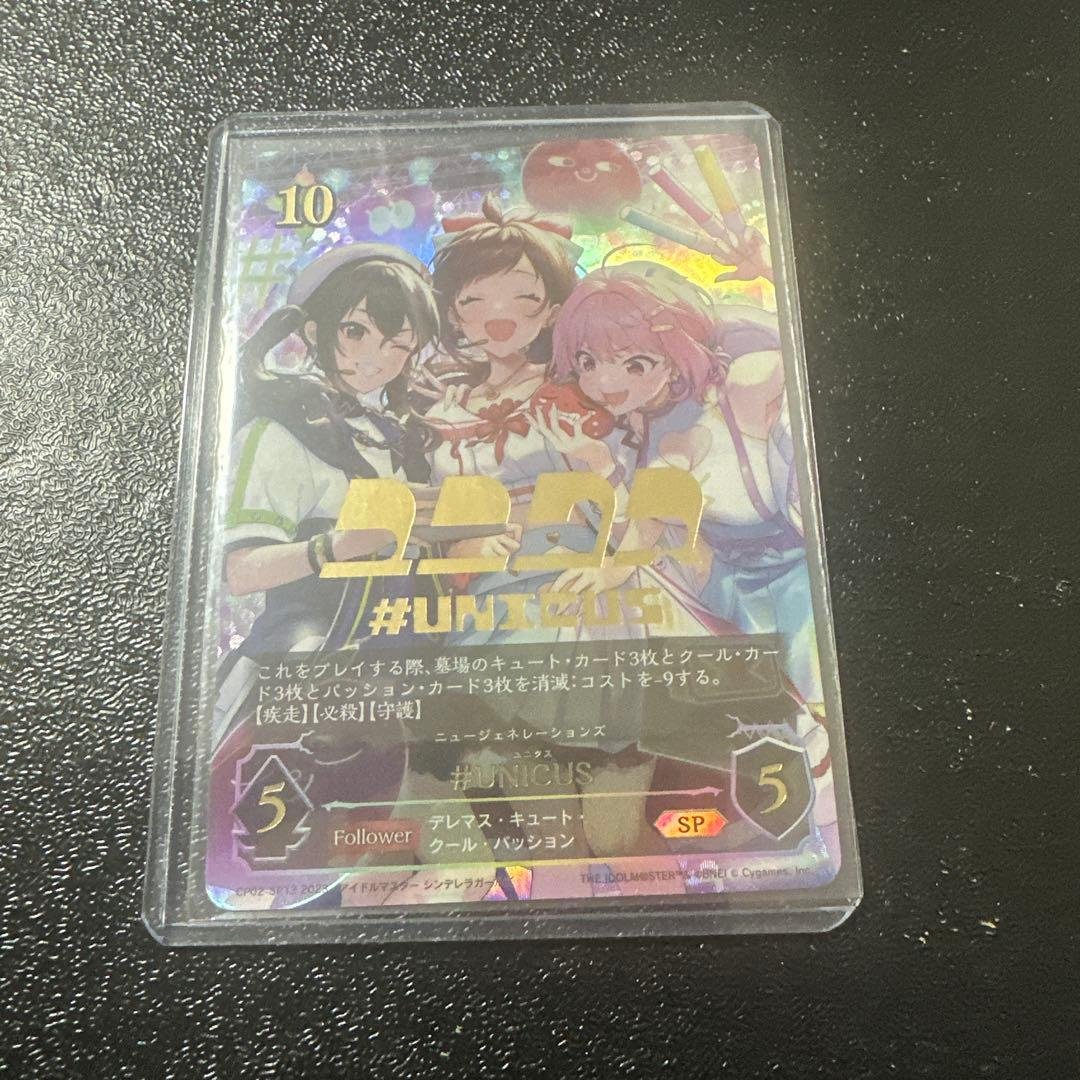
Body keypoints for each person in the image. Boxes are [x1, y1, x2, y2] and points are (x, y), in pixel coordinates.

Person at [543, 260, 823, 707]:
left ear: (676, 358)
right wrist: (598, 467)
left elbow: (798, 347)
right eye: (588, 363)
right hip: (727, 583)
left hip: (799, 575)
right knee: (768, 697)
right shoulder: (634, 431)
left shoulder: (740, 389)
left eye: (634, 363)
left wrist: (770, 272)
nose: (604, 382)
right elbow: (646, 523)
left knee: (812, 686)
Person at [215, 243, 440, 741]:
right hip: (307, 654)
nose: (374, 359)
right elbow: (241, 571)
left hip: (400, 655)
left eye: (397, 345)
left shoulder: (392, 436)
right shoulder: (281, 431)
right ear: (315, 331)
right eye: (355, 332)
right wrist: (338, 545)